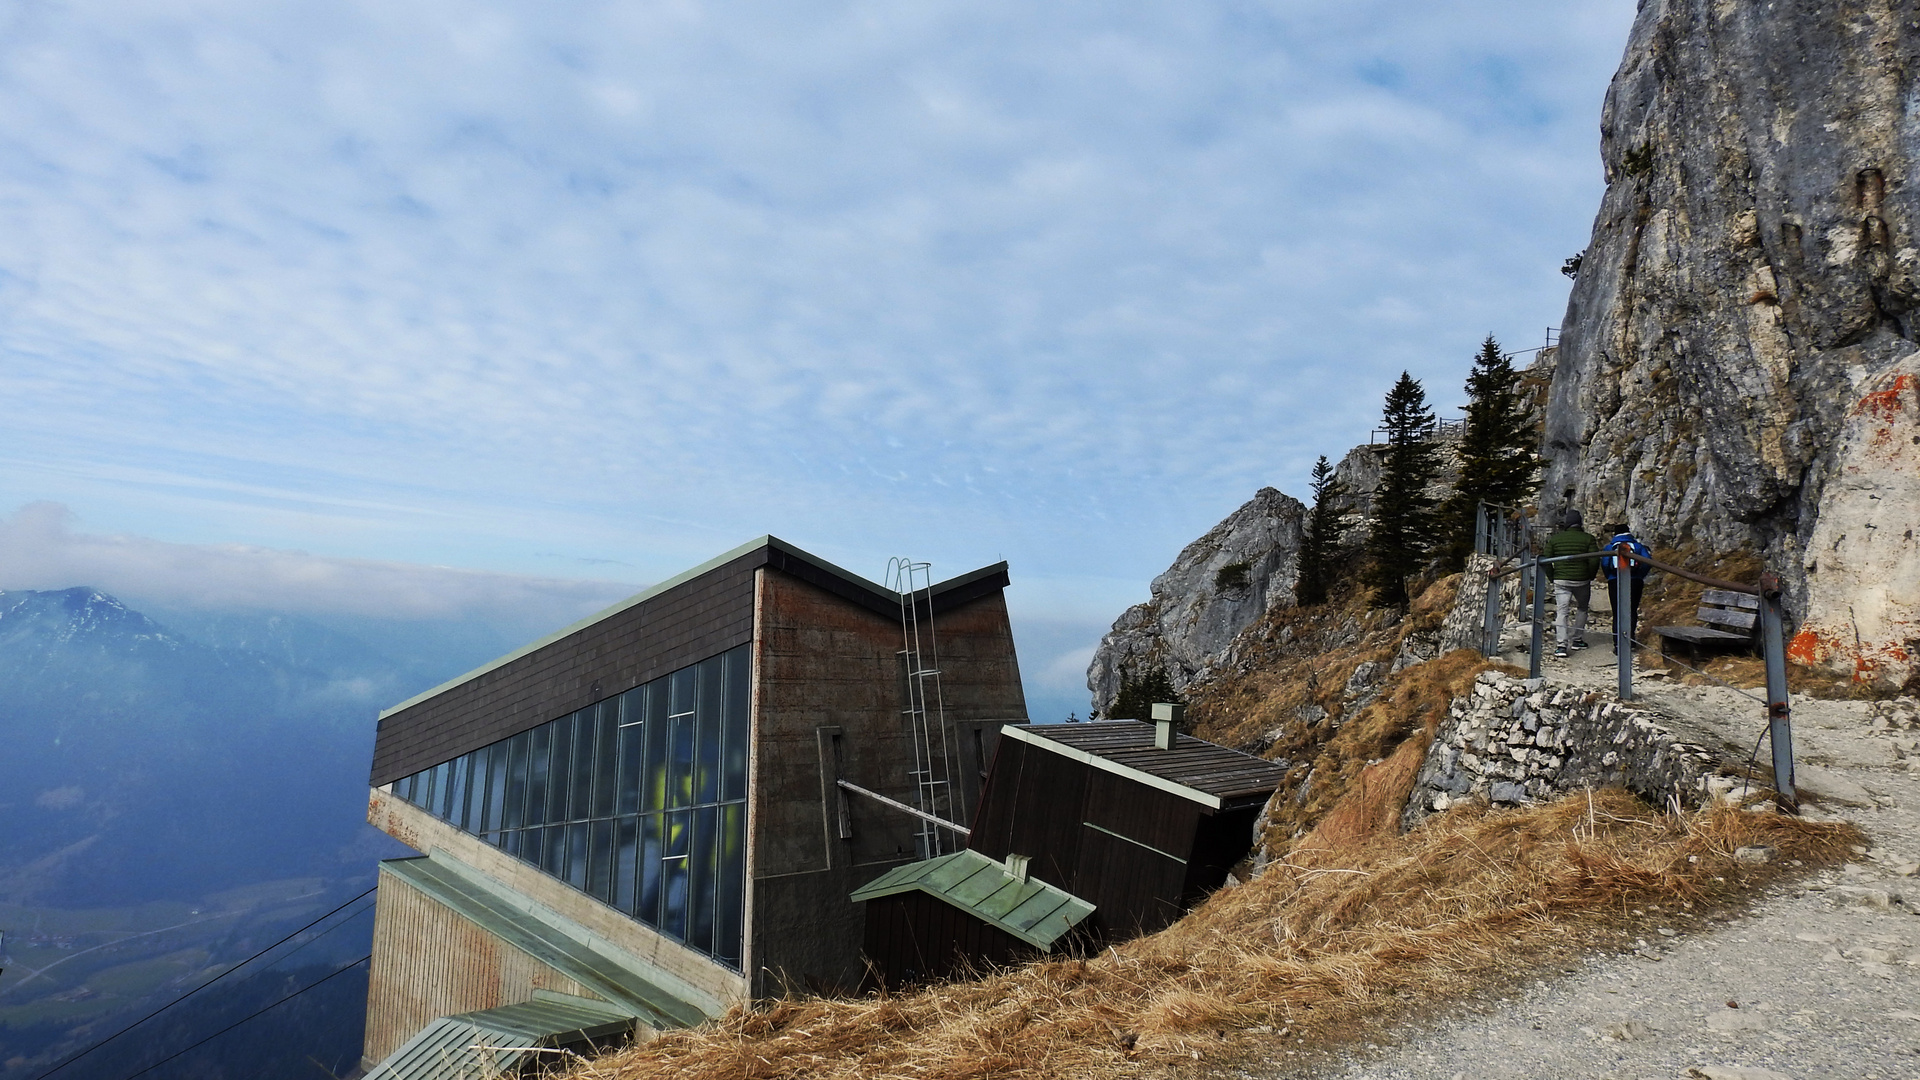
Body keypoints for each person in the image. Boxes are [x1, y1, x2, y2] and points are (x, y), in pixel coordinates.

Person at [1541, 509, 1600, 658]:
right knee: (1582, 608)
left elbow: (1545, 560)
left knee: (1562, 611)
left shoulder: (1555, 539)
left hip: (1561, 580)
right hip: (1582, 580)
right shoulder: (1588, 538)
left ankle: (1561, 645)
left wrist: (1552, 577)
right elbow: (1594, 560)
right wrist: (1590, 575)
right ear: (1580, 523)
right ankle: (1577, 639)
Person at [1603, 522, 1654, 652]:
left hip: (1615, 581)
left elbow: (1604, 563)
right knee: (1631, 610)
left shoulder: (1610, 547)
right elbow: (1648, 561)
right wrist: (1639, 575)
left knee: (1617, 612)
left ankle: (1617, 643)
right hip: (1635, 581)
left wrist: (1610, 576)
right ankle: (1630, 641)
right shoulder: (1637, 546)